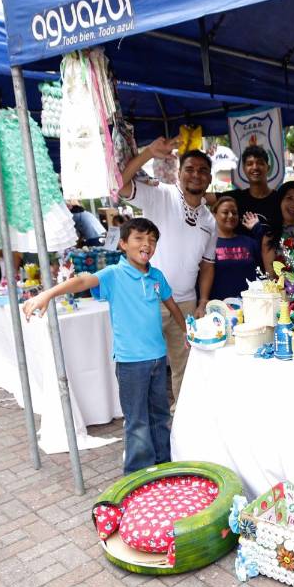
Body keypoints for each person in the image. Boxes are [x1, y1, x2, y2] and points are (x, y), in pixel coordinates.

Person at [23, 217, 184, 474]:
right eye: (139, 238)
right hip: (131, 362)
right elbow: (82, 282)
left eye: (152, 240)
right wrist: (48, 294)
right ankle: (137, 475)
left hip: (157, 357)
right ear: (123, 244)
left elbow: (171, 304)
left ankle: (163, 466)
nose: (147, 244)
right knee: (137, 421)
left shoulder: (156, 276)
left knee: (160, 416)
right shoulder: (113, 274)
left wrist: (186, 330)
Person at [119, 138, 217, 405]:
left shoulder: (209, 220)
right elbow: (120, 185)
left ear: (209, 179)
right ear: (179, 172)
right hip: (146, 299)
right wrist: (148, 153)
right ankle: (140, 419)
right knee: (142, 366)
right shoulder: (160, 194)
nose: (196, 174)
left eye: (202, 171)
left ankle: (183, 417)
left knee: (186, 366)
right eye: (190, 169)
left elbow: (208, 264)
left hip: (185, 304)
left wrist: (203, 301)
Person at [200, 196, 272, 304]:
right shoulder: (207, 244)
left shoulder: (250, 242)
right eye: (225, 212)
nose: (231, 216)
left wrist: (257, 229)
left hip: (249, 305)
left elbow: (266, 263)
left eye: (234, 213)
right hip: (218, 308)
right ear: (214, 215)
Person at [227, 145, 282, 233]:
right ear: (244, 169)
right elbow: (204, 197)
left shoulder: (280, 200)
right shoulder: (236, 197)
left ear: (268, 168)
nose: (255, 167)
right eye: (249, 164)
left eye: (260, 163)